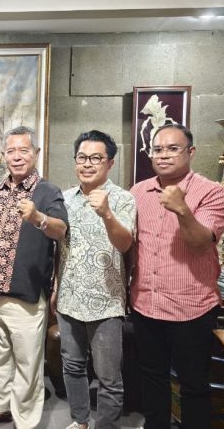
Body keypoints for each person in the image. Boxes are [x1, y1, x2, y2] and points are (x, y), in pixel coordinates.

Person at [130, 123, 224, 429]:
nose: (163, 155)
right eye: (157, 149)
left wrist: (182, 209)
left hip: (192, 308)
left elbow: (201, 243)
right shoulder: (138, 192)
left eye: (173, 149)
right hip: (146, 304)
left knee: (193, 384)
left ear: (191, 152)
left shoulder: (212, 192)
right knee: (152, 378)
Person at [0, 126, 68, 429]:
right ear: (3, 155)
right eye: (11, 151)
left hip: (27, 293)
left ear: (35, 153)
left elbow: (61, 230)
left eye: (24, 150)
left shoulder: (47, 192)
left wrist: (38, 218)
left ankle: (25, 420)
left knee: (27, 364)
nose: (17, 156)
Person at [56, 130, 135, 429]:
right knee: (72, 366)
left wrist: (107, 214)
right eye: (82, 157)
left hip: (106, 302)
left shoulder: (123, 199)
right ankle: (80, 422)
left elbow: (125, 244)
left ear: (110, 163)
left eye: (96, 158)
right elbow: (59, 249)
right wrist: (55, 287)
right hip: (69, 298)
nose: (87, 164)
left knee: (109, 378)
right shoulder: (64, 199)